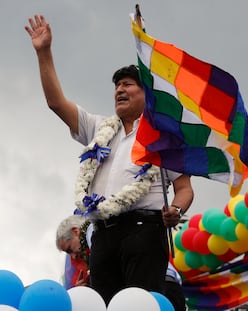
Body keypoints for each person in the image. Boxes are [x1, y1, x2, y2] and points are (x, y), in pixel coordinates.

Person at [25, 14, 194, 305]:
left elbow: (185, 189)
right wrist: (44, 52)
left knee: (140, 305)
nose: (119, 90)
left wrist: (176, 209)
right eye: (117, 86)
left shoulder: (162, 137)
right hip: (102, 236)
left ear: (147, 95)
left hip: (145, 233)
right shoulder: (98, 128)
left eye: (128, 84)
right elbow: (55, 102)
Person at [56, 215, 187, 311]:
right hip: (164, 285)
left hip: (159, 286)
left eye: (69, 249)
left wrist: (88, 290)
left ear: (76, 231)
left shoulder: (94, 232)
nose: (73, 256)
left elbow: (110, 275)